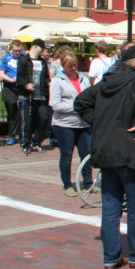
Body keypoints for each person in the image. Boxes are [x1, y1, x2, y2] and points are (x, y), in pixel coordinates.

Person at [74, 44, 135, 269]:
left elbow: (81, 102)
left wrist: (103, 123)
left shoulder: (106, 82)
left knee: (111, 208)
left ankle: (111, 257)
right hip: (131, 152)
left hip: (106, 152)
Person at [49, 53, 92, 197]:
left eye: (75, 65)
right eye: (70, 66)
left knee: (87, 153)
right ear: (63, 66)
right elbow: (55, 104)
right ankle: (67, 184)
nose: (73, 68)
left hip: (83, 123)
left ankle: (88, 182)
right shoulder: (57, 81)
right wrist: (77, 107)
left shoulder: (83, 79)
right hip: (64, 124)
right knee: (67, 154)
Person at [16, 39, 51, 153]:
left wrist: (49, 83)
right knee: (27, 120)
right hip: (27, 96)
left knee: (43, 118)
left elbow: (45, 77)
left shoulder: (43, 62)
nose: (44, 50)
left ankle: (37, 142)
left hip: (41, 95)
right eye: (42, 47)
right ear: (35, 46)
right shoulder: (23, 60)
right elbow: (19, 78)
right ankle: (25, 143)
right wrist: (26, 85)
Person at [0, 40, 24, 144]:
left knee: (22, 110)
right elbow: (1, 73)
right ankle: (12, 134)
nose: (17, 53)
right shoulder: (6, 58)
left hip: (21, 87)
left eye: (19, 50)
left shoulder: (24, 58)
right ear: (11, 49)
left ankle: (22, 134)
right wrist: (10, 80)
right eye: (15, 50)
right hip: (9, 87)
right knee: (12, 108)